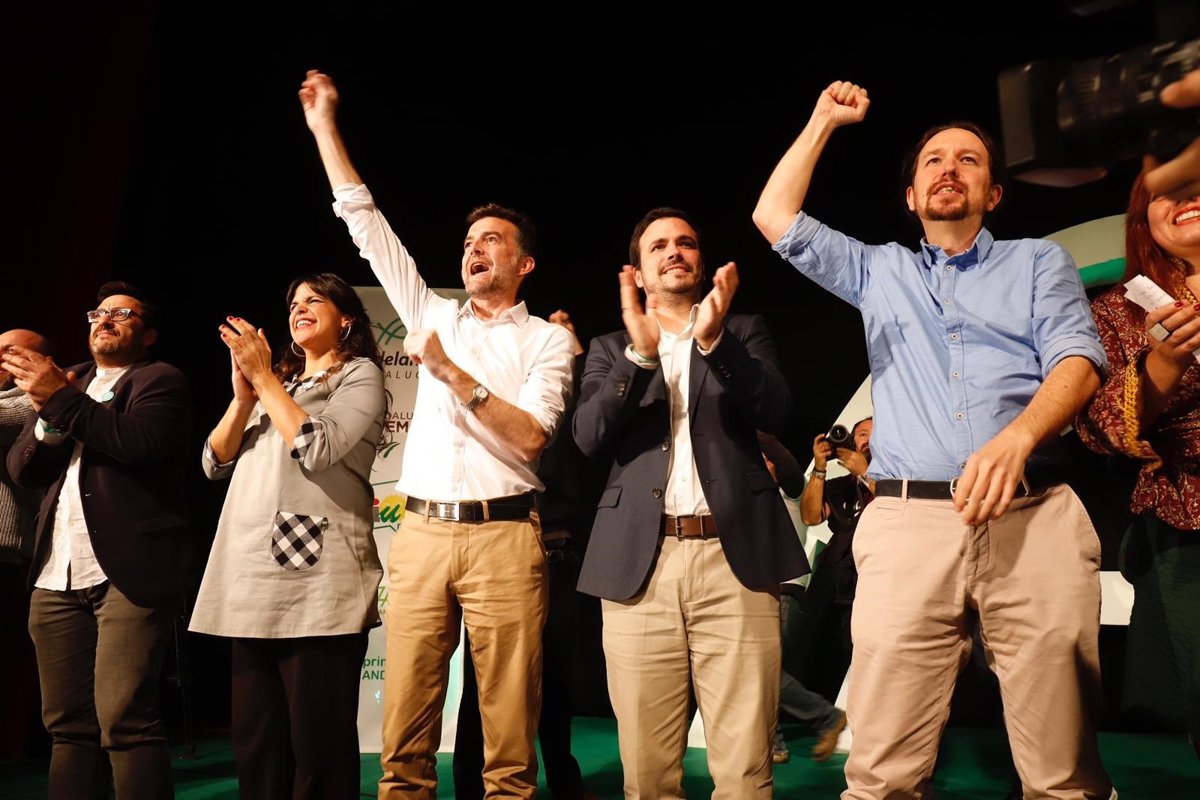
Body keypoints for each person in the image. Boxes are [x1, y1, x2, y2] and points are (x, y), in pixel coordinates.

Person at [753, 82, 1112, 798]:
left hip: (1032, 516)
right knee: (881, 773)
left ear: (993, 193)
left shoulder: (1038, 262)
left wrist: (1017, 438)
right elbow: (774, 216)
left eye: (969, 160)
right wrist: (823, 120)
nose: (950, 168)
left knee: (1063, 774)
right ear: (913, 197)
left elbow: (1078, 359)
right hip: (909, 523)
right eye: (934, 161)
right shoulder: (878, 270)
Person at [299, 70, 575, 799]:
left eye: (493, 240)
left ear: (524, 264)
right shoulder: (432, 313)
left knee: (508, 744)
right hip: (421, 534)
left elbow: (532, 438)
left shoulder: (548, 341)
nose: (475, 248)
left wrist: (451, 374)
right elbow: (365, 223)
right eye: (470, 240)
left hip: (506, 536)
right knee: (405, 737)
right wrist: (325, 126)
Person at [573, 207, 808, 799]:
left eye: (686, 243)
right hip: (639, 566)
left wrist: (714, 342)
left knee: (746, 770)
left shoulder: (742, 331)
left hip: (736, 563)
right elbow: (589, 437)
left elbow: (775, 410)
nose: (674, 251)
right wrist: (639, 357)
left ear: (701, 264)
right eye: (658, 246)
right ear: (637, 273)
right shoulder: (609, 347)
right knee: (647, 774)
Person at [188, 273, 386, 798]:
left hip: (318, 583)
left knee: (318, 747)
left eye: (314, 300)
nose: (299, 308)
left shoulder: (359, 375)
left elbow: (318, 449)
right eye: (294, 302)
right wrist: (244, 397)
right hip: (251, 576)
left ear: (347, 318)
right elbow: (213, 461)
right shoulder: (280, 384)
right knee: (257, 743)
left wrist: (264, 379)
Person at [2, 282, 191, 800]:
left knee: (125, 720)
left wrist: (60, 399)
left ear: (148, 335)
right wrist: (52, 412)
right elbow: (23, 469)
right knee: (68, 726)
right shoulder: (70, 379)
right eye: (98, 313)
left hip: (128, 572)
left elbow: (139, 443)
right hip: (56, 573)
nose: (104, 320)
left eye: (122, 315)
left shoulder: (159, 379)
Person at [1076, 173, 1200, 758]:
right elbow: (1096, 425)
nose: (1187, 198)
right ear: (1142, 216)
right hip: (1188, 520)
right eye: (1167, 191)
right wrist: (1163, 366)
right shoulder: (1119, 311)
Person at [453, 310, 601, 800]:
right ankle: (470, 784)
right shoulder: (501, 403)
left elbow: (589, 423)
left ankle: (561, 778)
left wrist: (574, 352)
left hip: (557, 555)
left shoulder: (571, 412)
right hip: (499, 544)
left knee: (554, 676)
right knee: (483, 677)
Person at [759, 431, 847, 765]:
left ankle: (826, 717)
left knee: (764, 669)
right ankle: (774, 740)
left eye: (765, 461)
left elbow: (784, 462)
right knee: (764, 669)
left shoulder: (791, 494)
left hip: (784, 591)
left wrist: (748, 431)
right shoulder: (752, 500)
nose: (760, 465)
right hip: (760, 592)